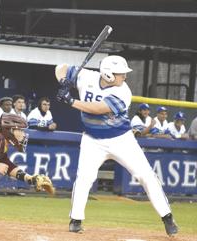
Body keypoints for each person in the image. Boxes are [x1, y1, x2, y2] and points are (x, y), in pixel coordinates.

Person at [55, 55, 178, 236]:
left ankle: (167, 218)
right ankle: (76, 220)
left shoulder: (123, 92)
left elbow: (97, 109)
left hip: (121, 139)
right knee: (84, 178)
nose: (125, 77)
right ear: (108, 74)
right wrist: (64, 81)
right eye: (121, 74)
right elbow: (61, 66)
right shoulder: (87, 77)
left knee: (146, 176)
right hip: (92, 139)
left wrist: (70, 101)